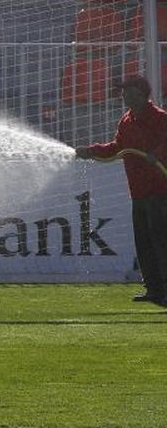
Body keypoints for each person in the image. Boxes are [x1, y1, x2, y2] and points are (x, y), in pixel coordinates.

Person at [75, 75, 167, 306]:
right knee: (144, 242)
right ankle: (154, 289)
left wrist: (157, 153)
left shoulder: (159, 118)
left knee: (161, 241)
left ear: (139, 92)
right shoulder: (126, 121)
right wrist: (91, 151)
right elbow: (117, 148)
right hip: (138, 193)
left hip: (160, 191)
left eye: (126, 90)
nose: (122, 94)